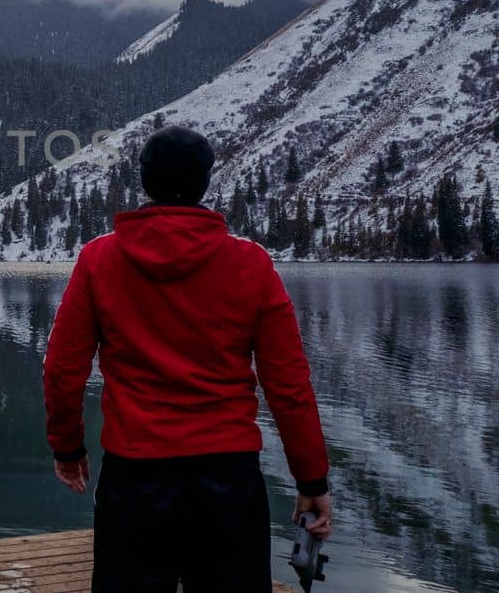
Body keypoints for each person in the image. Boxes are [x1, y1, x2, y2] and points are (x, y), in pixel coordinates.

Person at [42, 126, 332, 592]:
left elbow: (62, 367)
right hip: (227, 481)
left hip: (134, 479)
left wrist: (68, 447)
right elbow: (289, 385)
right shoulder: (251, 265)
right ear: (204, 183)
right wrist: (312, 480)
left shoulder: (100, 260)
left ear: (145, 181)